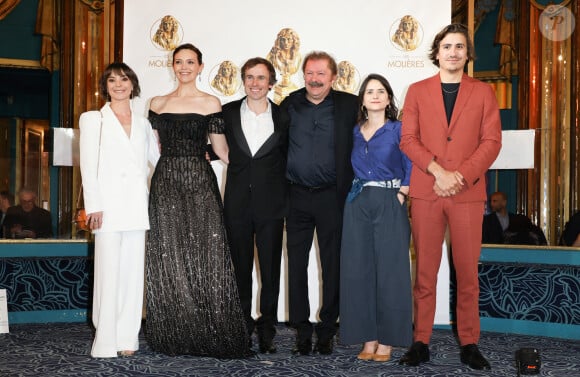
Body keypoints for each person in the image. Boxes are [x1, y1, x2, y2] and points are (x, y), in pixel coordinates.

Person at [399, 24, 502, 370]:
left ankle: (470, 342)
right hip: (428, 191)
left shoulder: (484, 93)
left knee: (467, 274)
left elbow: (491, 142)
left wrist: (460, 175)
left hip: (467, 193)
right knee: (425, 272)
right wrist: (438, 172)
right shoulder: (416, 91)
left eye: (460, 46)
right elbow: (408, 139)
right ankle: (421, 340)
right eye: (447, 46)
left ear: (467, 53)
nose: (453, 52)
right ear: (437, 52)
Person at [145, 43, 251, 358]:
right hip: (165, 184)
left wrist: (255, 176)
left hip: (200, 183)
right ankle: (178, 328)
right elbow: (150, 151)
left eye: (190, 62)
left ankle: (210, 327)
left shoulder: (210, 102)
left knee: (208, 252)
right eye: (179, 62)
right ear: (172, 65)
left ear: (201, 67)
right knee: (170, 254)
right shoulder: (157, 102)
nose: (184, 67)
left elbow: (222, 151)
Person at [280, 51, 358, 355]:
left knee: (333, 266)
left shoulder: (349, 105)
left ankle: (327, 329)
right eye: (310, 73)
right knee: (296, 266)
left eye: (321, 74)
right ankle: (301, 329)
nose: (314, 79)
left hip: (332, 197)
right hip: (296, 196)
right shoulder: (289, 104)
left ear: (334, 77)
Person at [79, 62, 160, 358]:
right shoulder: (92, 119)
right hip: (107, 208)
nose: (118, 85)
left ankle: (128, 337)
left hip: (137, 207)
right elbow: (88, 165)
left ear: (133, 84)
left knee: (131, 273)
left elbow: (157, 159)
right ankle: (105, 338)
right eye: (112, 80)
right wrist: (94, 206)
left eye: (124, 79)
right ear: (106, 86)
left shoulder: (143, 123)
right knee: (107, 273)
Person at [339, 74, 413, 362]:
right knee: (359, 272)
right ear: (362, 99)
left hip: (389, 200)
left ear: (388, 98)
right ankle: (368, 338)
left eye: (381, 91)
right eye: (369, 91)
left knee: (391, 272)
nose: (375, 95)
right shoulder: (355, 130)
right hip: (357, 201)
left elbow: (411, 164)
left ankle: (388, 340)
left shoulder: (398, 129)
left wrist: (401, 194)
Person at [222, 57, 287, 354]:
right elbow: (215, 148)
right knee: (240, 269)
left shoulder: (285, 116)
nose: (255, 83)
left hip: (272, 205)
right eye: (249, 77)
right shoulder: (227, 112)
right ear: (243, 80)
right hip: (236, 203)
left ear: (270, 82)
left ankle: (267, 328)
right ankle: (242, 326)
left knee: (270, 270)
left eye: (261, 78)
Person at [482, 191, 547, 245]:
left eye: (494, 201)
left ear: (504, 202)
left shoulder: (517, 219)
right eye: (491, 201)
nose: (491, 204)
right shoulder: (486, 221)